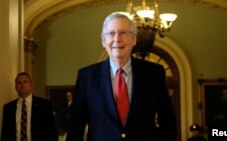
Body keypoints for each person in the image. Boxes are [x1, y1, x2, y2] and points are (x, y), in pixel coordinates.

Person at [66, 12, 177, 141]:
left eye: (123, 33)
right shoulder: (87, 77)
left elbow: (168, 121)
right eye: (111, 33)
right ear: (103, 41)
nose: (117, 39)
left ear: (134, 39)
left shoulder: (153, 73)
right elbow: (76, 127)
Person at [0, 72, 58, 141]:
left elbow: (52, 132)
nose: (22, 85)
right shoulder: (8, 108)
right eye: (19, 83)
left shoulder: (44, 105)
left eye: (25, 82)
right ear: (15, 87)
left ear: (31, 85)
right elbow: (5, 134)